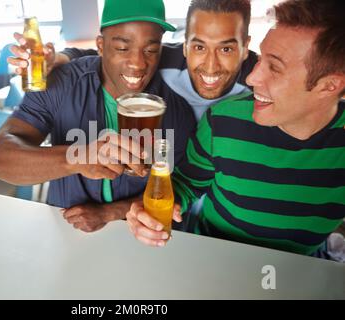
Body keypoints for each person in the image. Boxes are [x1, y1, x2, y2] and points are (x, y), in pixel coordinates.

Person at [126, 0, 345, 257]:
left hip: (301, 269)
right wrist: (149, 210)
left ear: (329, 86)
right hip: (211, 256)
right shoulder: (222, 118)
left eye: (274, 67)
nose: (252, 78)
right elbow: (186, 184)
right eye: (261, 58)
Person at [0, 0, 196, 233]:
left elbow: (174, 187)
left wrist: (112, 212)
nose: (138, 63)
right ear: (101, 45)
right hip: (65, 229)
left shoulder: (175, 111)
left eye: (151, 50)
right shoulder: (62, 84)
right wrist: (76, 158)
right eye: (122, 48)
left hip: (136, 235)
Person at [9, 0, 257, 122]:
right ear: (186, 46)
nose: (210, 65)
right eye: (199, 46)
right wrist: (59, 58)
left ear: (244, 48)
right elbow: (99, 57)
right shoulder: (164, 58)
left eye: (226, 49)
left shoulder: (258, 77)